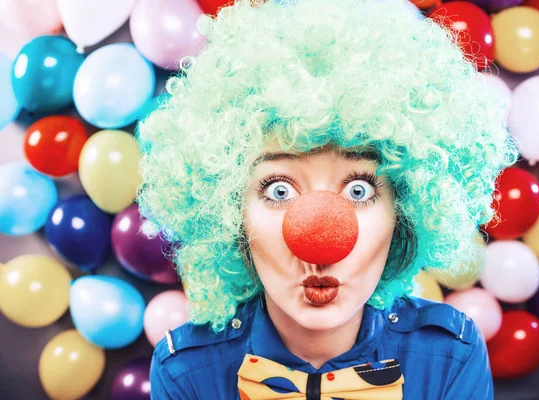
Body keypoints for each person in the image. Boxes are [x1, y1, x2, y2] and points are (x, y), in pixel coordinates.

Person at [136, 0, 518, 398]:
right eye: (278, 190)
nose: (321, 237)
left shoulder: (448, 358)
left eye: (359, 190)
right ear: (230, 213)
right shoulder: (185, 372)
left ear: (404, 211)